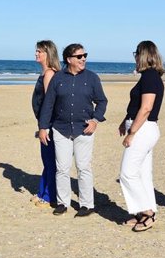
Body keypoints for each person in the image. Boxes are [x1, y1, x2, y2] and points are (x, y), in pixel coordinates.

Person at [38, 43, 108, 217]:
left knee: (83, 167)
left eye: (85, 55)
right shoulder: (58, 78)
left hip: (84, 129)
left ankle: (87, 205)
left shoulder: (92, 78)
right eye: (79, 56)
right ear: (69, 59)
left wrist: (95, 120)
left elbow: (102, 101)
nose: (83, 58)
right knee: (62, 168)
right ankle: (63, 203)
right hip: (60, 129)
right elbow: (48, 104)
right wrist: (43, 127)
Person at [118, 41, 165, 232]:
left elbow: (146, 108)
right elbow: (139, 106)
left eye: (136, 54)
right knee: (143, 174)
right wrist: (125, 121)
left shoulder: (150, 77)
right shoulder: (149, 77)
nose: (135, 58)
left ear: (143, 55)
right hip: (144, 127)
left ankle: (147, 212)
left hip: (143, 129)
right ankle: (144, 211)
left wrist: (132, 133)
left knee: (127, 173)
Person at [31, 40, 61, 208]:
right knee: (47, 160)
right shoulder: (45, 73)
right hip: (44, 123)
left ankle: (50, 196)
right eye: (36, 51)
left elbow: (50, 102)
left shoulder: (50, 74)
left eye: (39, 51)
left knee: (50, 161)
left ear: (48, 54)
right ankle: (43, 191)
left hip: (49, 124)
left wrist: (45, 127)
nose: (36, 54)